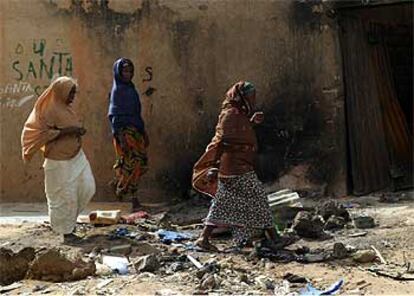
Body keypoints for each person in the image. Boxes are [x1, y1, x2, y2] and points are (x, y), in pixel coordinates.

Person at [192, 81, 281, 251]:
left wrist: (251, 123)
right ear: (240, 97)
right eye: (250, 97)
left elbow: (239, 132)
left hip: (237, 166)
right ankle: (274, 237)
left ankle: (212, 239)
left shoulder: (239, 114)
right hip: (235, 167)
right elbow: (221, 141)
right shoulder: (231, 114)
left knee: (224, 202)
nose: (253, 100)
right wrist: (214, 166)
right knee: (258, 198)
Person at [21, 76, 95, 243]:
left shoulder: (67, 109)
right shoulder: (47, 110)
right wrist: (67, 131)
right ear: (61, 92)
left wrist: (76, 131)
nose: (72, 97)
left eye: (74, 93)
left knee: (87, 187)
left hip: (76, 156)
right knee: (64, 196)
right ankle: (66, 232)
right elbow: (40, 134)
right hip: (58, 160)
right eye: (70, 93)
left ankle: (69, 223)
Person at [108, 58, 149, 211]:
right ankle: (129, 196)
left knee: (138, 164)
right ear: (119, 72)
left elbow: (136, 114)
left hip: (136, 132)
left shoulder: (131, 88)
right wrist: (121, 138)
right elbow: (114, 116)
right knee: (129, 165)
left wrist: (143, 132)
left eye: (130, 71)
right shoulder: (118, 91)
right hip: (124, 134)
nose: (128, 74)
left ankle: (122, 189)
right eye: (125, 71)